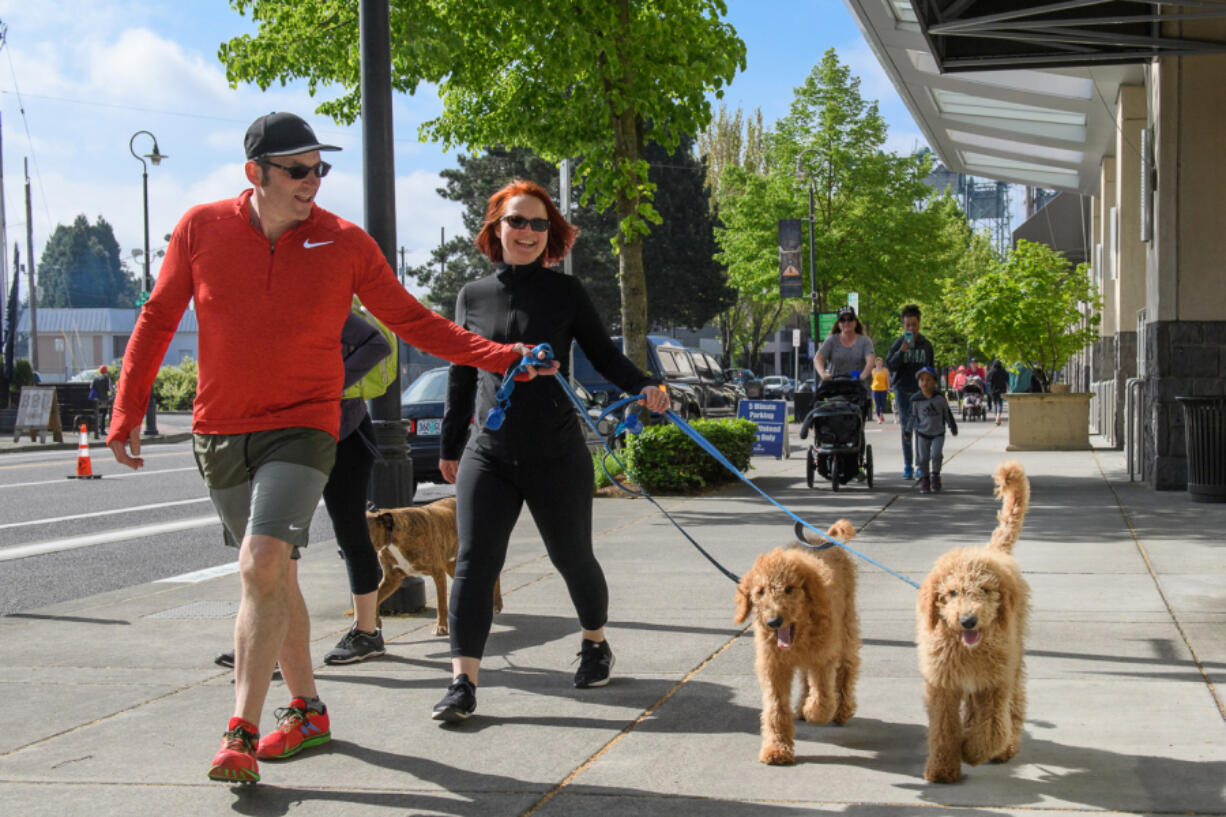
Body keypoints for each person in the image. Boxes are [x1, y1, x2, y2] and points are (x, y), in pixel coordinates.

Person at [105, 112, 547, 785]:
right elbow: (159, 315)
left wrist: (504, 355)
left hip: (307, 426)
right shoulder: (200, 228)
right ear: (256, 173)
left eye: (320, 168)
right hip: (220, 429)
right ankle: (308, 709)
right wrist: (128, 405)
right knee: (272, 576)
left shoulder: (343, 242)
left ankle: (240, 729)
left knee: (259, 562)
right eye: (298, 170)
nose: (314, 181)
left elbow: (411, 319)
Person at [432, 179, 670, 723]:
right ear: (496, 227)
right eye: (517, 221)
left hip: (557, 453)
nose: (528, 233)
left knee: (572, 557)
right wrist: (451, 442)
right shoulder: (472, 295)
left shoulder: (566, 293)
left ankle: (594, 642)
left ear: (551, 235)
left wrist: (645, 385)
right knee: (473, 563)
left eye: (540, 225)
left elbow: (605, 355)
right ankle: (463, 682)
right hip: (488, 453)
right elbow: (460, 371)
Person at [212, 304, 395, 673]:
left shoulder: (317, 302)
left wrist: (323, 385)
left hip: (343, 431)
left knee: (350, 532)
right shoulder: (255, 308)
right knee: (273, 538)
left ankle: (366, 631)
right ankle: (270, 638)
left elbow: (378, 346)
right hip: (289, 434)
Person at [885, 304, 934, 480]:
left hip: (920, 393)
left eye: (914, 324)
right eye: (907, 325)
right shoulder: (899, 343)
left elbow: (931, 370)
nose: (911, 328)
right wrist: (902, 351)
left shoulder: (926, 345)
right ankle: (908, 466)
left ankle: (920, 466)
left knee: (921, 429)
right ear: (903, 326)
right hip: (902, 391)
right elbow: (889, 366)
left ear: (919, 324)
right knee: (906, 429)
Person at [911, 366, 957, 494]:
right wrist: (907, 431)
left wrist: (952, 426)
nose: (925, 383)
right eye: (922, 380)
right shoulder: (916, 399)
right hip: (922, 433)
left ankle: (935, 476)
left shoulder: (940, 399)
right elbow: (912, 416)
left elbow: (947, 414)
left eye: (928, 380)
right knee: (923, 459)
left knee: (936, 455)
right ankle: (925, 479)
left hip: (938, 433)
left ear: (935, 382)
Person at [89, 366, 112, 436]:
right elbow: (108, 389)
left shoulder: (95, 378)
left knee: (98, 414)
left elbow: (91, 387)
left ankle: (98, 429)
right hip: (104, 399)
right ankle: (102, 430)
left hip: (96, 400)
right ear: (106, 371)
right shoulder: (106, 378)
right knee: (104, 414)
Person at [987, 359, 1010, 425]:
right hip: (1001, 390)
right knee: (999, 404)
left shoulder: (991, 371)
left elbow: (987, 379)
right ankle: (998, 418)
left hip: (993, 390)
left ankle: (997, 418)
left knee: (995, 404)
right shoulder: (1003, 371)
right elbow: (1007, 378)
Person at [870, 356, 890, 424]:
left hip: (883, 389)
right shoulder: (873, 371)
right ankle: (879, 417)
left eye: (880, 363)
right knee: (877, 404)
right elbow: (872, 380)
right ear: (876, 363)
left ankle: (881, 414)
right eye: (878, 363)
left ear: (882, 363)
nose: (879, 364)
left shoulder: (885, 370)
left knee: (883, 403)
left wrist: (888, 388)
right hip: (875, 389)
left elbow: (887, 380)